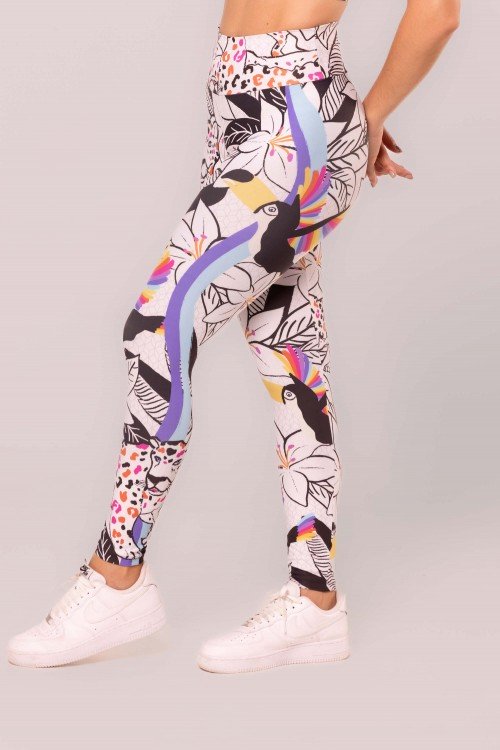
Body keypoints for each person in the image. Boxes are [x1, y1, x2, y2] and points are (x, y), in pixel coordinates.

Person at [8, 0, 460, 672]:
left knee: (157, 329)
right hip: (240, 111)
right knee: (288, 348)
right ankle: (315, 601)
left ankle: (117, 574)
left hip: (295, 120)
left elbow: (440, 12)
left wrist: (368, 117)